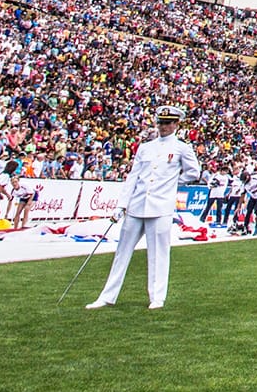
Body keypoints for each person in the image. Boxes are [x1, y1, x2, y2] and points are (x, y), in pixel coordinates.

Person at [86, 106, 201, 310]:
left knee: (158, 254)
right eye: (161, 123)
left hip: (161, 206)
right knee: (122, 252)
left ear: (176, 124)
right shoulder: (146, 147)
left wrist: (173, 182)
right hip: (137, 204)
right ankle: (107, 296)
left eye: (167, 123)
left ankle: (157, 297)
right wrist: (121, 204)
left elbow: (194, 172)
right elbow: (133, 177)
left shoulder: (182, 148)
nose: (163, 127)